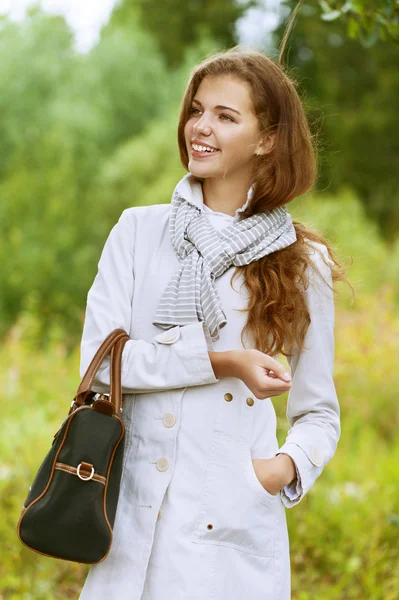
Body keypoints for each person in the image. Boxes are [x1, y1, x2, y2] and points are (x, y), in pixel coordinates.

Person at [78, 47, 346, 600]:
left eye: (226, 116)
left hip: (230, 531)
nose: (200, 127)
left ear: (267, 139)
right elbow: (100, 367)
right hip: (130, 518)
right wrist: (223, 362)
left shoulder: (302, 262)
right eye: (197, 110)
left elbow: (318, 411)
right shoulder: (138, 232)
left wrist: (277, 470)